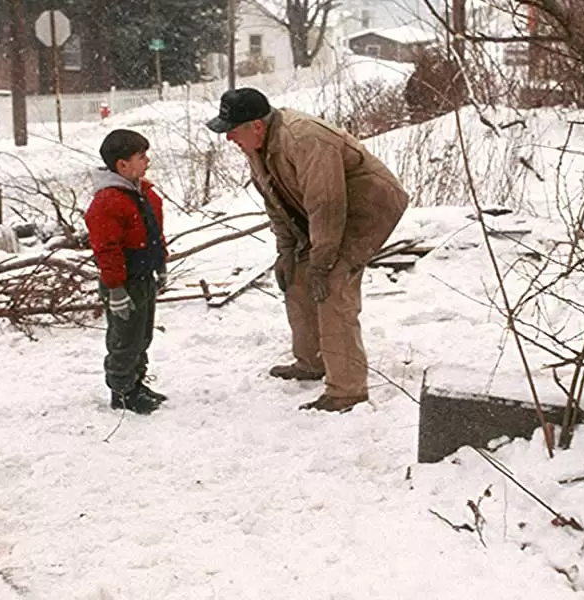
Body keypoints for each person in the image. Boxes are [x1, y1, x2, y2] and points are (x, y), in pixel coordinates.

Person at [206, 88, 409, 412]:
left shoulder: (305, 139)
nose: (228, 137)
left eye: (232, 130)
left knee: (332, 285)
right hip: (323, 211)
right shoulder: (257, 145)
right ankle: (312, 361)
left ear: (256, 125)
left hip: (366, 208)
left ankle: (347, 390)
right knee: (296, 276)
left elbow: (326, 205)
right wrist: (287, 251)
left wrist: (322, 263)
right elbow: (275, 202)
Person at [84, 129, 169, 414]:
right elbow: (106, 250)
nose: (148, 161)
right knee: (125, 338)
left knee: (142, 335)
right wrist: (116, 289)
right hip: (124, 282)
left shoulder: (144, 194)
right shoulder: (108, 202)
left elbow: (155, 233)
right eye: (141, 157)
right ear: (122, 165)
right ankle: (122, 391)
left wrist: (161, 264)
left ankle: (137, 382)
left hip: (144, 277)